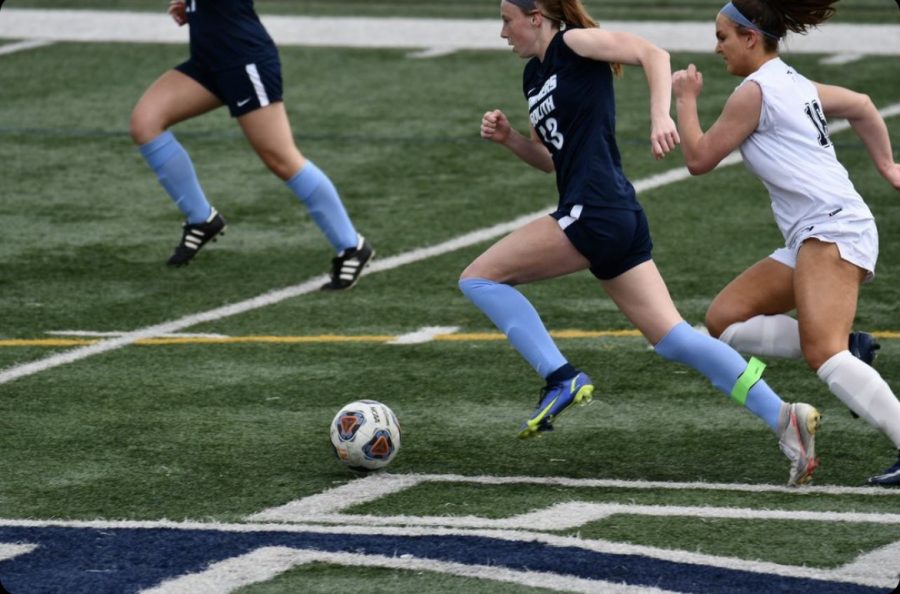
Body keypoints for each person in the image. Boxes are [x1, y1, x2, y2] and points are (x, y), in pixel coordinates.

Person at [460, 0, 822, 486]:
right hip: (613, 214)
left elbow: (654, 53)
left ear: (536, 16)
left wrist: (659, 117)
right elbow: (549, 158)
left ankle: (560, 376)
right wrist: (509, 139)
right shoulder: (533, 77)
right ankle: (785, 417)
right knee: (674, 339)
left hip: (596, 211)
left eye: (506, 19)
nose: (502, 32)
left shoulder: (572, 42)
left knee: (479, 278)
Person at [672, 0, 900, 486]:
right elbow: (861, 103)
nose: (717, 48)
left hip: (831, 228)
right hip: (814, 233)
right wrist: (887, 167)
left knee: (824, 355)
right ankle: (851, 347)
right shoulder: (794, 82)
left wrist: (686, 99)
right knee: (725, 320)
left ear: (751, 37)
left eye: (723, 37)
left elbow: (698, 159)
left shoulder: (753, 92)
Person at [130, 0, 373, 290]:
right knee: (145, 124)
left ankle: (351, 246)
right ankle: (202, 219)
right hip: (209, 61)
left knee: (280, 157)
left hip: (243, 61)